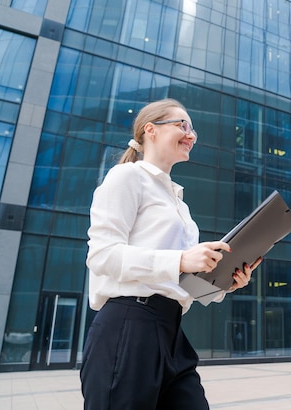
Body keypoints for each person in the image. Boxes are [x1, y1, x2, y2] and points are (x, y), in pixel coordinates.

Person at [80, 98, 262, 409]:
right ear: (150, 130)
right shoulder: (127, 177)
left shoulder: (180, 204)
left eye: (193, 129)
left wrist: (224, 283)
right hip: (129, 325)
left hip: (172, 330)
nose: (191, 135)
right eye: (183, 125)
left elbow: (182, 280)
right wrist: (180, 260)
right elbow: (102, 256)